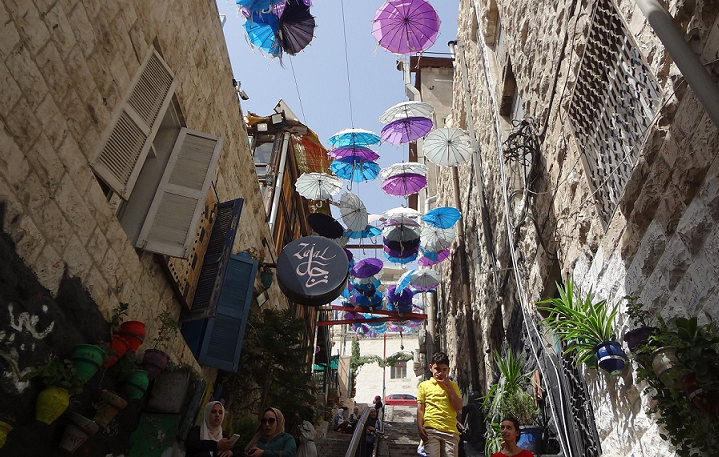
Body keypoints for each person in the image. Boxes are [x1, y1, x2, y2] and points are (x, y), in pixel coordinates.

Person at [417, 352, 463, 457]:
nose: (440, 373)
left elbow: (458, 407)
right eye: (437, 369)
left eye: (444, 370)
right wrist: (420, 427)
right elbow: (420, 409)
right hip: (431, 429)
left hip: (450, 431)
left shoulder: (453, 386)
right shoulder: (424, 386)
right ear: (431, 367)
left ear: (448, 370)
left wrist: (449, 387)